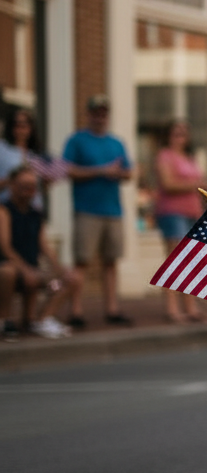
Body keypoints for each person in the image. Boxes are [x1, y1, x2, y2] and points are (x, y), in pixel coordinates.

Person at [62, 95, 133, 327]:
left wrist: (117, 173)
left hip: (113, 210)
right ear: (89, 114)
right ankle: (76, 310)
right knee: (81, 260)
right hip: (86, 210)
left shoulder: (116, 143)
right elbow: (68, 170)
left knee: (110, 261)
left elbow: (129, 172)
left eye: (103, 112)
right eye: (96, 112)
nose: (100, 116)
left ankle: (112, 309)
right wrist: (101, 170)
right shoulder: (77, 140)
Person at [0, 166, 82, 339]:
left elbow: (44, 246)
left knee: (70, 278)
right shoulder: (4, 211)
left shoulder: (36, 214)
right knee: (7, 272)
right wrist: (24, 269)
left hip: (33, 269)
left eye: (32, 186)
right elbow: (5, 247)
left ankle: (42, 319)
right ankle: (4, 319)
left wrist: (58, 268)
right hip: (12, 269)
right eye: (24, 186)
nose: (29, 191)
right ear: (13, 186)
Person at [153, 120, 205, 322]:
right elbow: (168, 184)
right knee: (175, 260)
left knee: (190, 261)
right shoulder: (164, 156)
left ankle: (190, 306)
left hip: (193, 212)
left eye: (184, 133)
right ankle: (171, 307)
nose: (180, 138)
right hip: (172, 212)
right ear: (168, 136)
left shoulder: (189, 158)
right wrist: (196, 183)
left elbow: (198, 184)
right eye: (176, 133)